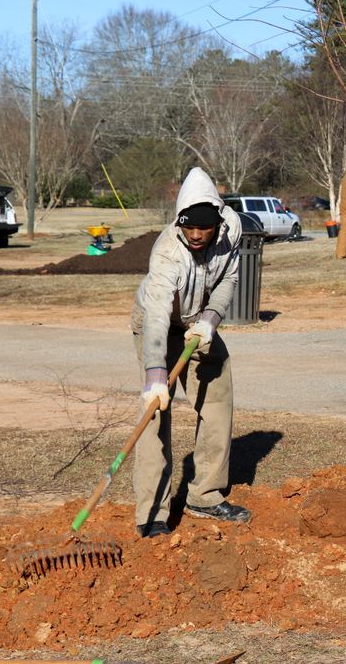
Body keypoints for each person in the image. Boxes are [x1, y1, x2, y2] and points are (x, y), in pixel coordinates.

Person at [131, 166, 251, 538]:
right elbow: (154, 318)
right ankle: (152, 512)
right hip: (158, 323)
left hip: (198, 322)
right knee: (156, 412)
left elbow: (229, 278)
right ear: (179, 222)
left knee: (217, 397)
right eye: (189, 228)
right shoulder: (167, 252)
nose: (197, 236)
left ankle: (204, 495)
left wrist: (210, 320)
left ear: (218, 220)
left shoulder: (232, 228)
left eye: (204, 228)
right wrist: (155, 377)